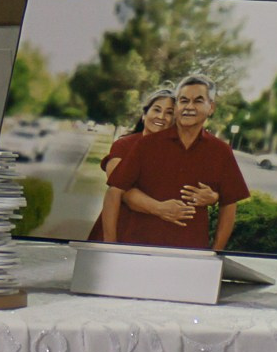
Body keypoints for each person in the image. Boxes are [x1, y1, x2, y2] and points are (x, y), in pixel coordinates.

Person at [107, 73, 251, 251]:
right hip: (137, 247)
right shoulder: (146, 145)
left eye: (198, 101)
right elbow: (115, 192)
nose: (189, 107)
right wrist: (109, 247)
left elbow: (229, 204)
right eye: (183, 100)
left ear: (211, 107)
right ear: (176, 107)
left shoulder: (221, 151)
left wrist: (215, 252)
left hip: (190, 252)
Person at [89, 86, 175, 242]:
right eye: (156, 110)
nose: (161, 116)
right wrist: (159, 208)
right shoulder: (123, 146)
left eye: (169, 113)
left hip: (153, 233)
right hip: (118, 229)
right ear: (144, 115)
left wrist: (211, 195)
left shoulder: (177, 153)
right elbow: (123, 192)